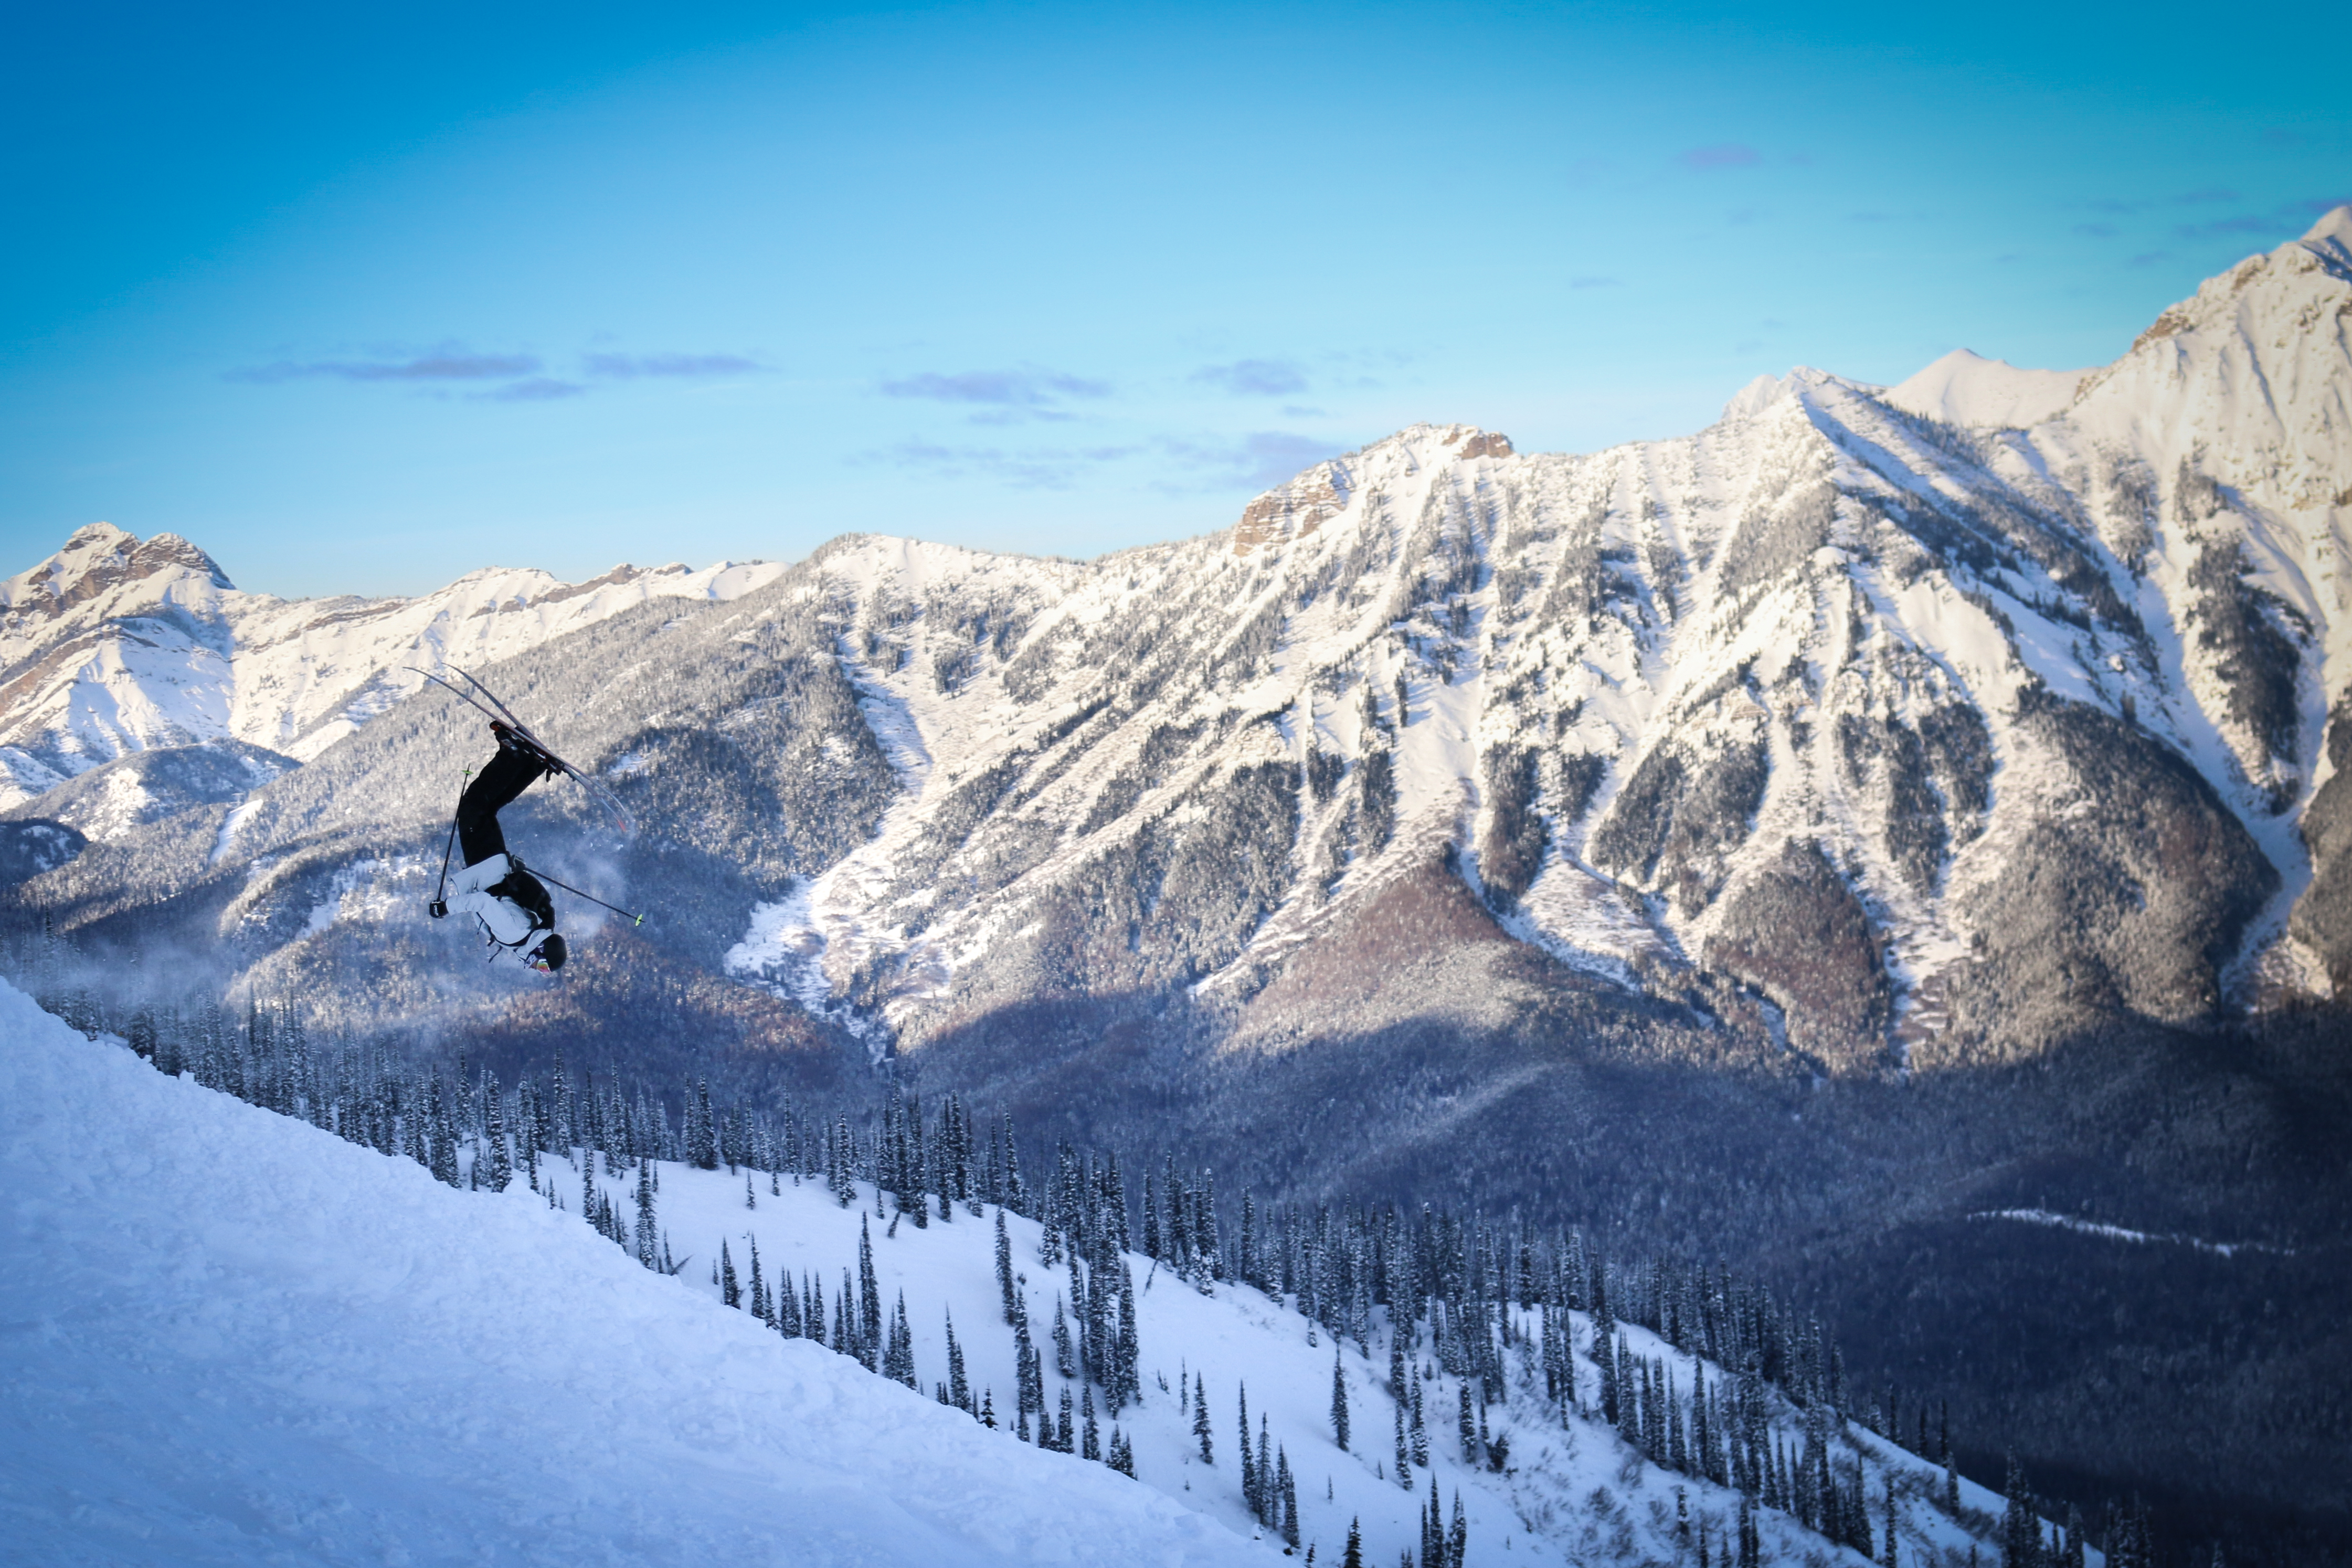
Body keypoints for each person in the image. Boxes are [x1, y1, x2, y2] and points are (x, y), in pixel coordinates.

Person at [429, 722, 568, 972]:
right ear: (541, 950)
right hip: (485, 866)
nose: (537, 967)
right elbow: (482, 902)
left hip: (496, 866)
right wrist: (446, 909)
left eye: (542, 970)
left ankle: (533, 764)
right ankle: (513, 754)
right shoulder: (514, 934)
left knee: (486, 809)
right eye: (543, 965)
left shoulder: (529, 932)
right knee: (472, 807)